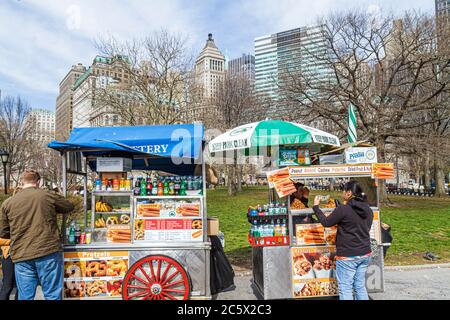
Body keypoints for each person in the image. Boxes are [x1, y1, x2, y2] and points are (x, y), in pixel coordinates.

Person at [0, 169, 74, 300]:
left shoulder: (8, 203)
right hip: (48, 251)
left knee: (25, 296)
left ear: (22, 182)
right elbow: (68, 206)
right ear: (38, 182)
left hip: (22, 255)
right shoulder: (46, 195)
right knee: (52, 295)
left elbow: (4, 232)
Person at [312, 180, 373, 300]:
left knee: (345, 288)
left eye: (343, 191)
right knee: (360, 286)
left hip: (347, 256)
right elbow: (366, 227)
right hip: (365, 253)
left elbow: (326, 222)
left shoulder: (343, 209)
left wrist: (316, 207)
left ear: (349, 193)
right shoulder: (367, 209)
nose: (342, 193)